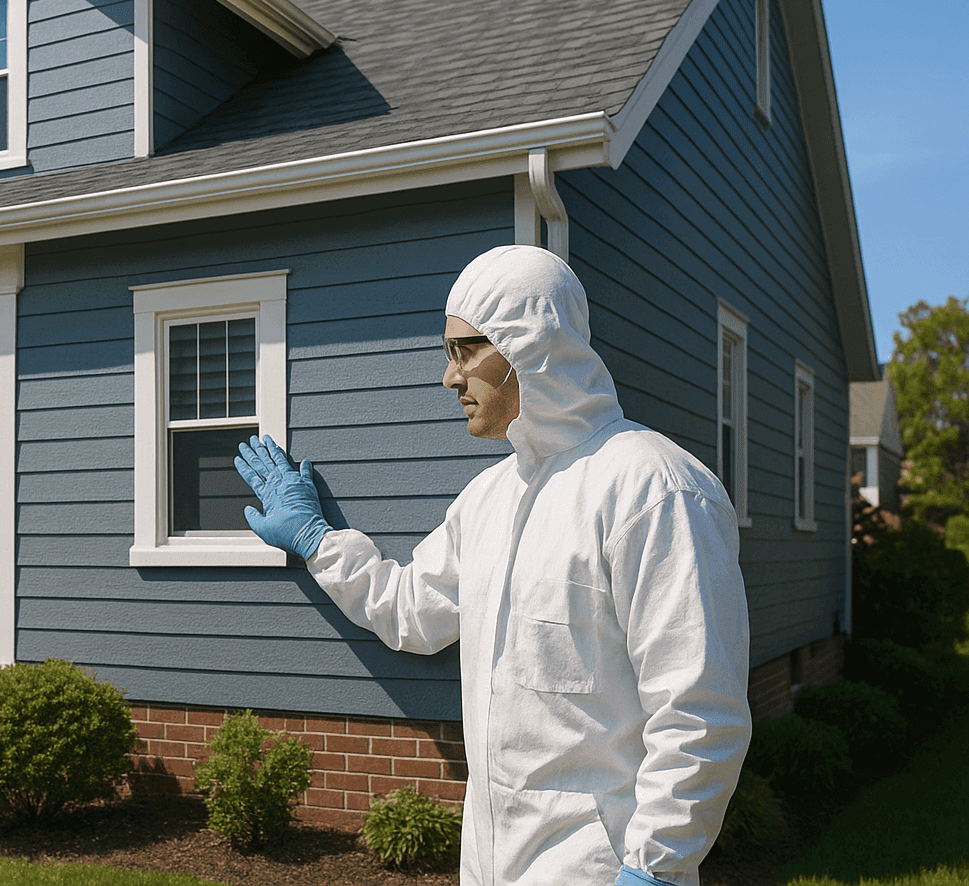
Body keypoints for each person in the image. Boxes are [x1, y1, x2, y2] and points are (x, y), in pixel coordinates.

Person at [235, 245, 751, 886]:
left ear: (528, 346)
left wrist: (656, 869)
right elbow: (411, 613)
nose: (449, 378)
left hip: (599, 867)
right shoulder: (489, 500)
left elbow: (700, 711)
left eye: (465, 351)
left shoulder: (653, 489)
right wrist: (316, 539)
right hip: (488, 865)